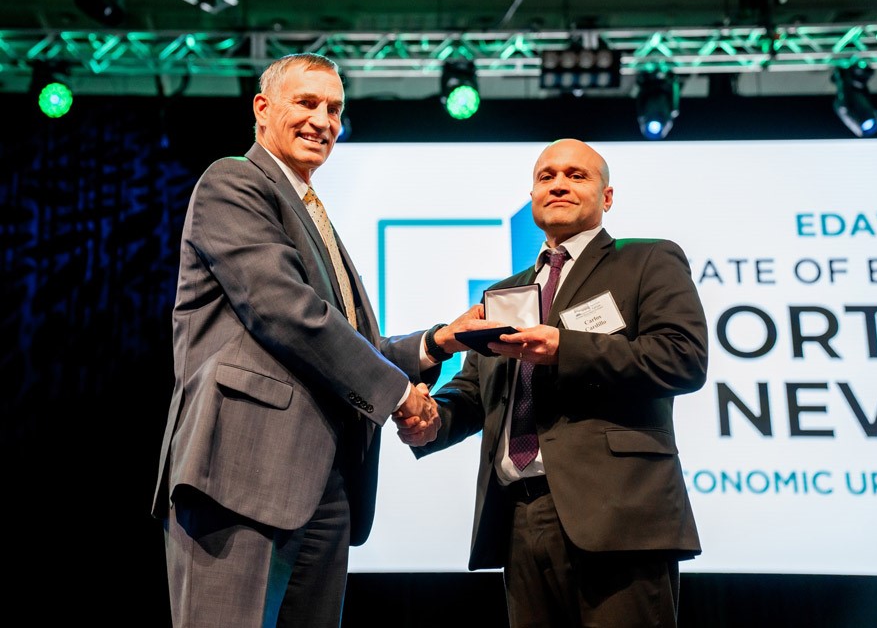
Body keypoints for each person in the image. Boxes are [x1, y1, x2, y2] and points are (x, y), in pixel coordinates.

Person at [152, 52, 490, 628]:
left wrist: (438, 341)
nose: (323, 121)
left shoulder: (314, 212)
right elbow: (287, 314)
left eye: (334, 109)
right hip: (241, 475)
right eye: (306, 103)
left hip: (326, 487)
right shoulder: (234, 181)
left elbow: (349, 345)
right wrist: (400, 397)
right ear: (263, 109)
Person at [395, 138, 709, 627]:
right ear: (533, 194)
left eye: (576, 175)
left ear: (606, 198)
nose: (559, 184)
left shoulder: (648, 261)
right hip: (519, 519)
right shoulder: (504, 293)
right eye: (547, 176)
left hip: (617, 515)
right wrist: (433, 418)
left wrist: (565, 348)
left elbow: (683, 359)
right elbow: (478, 393)